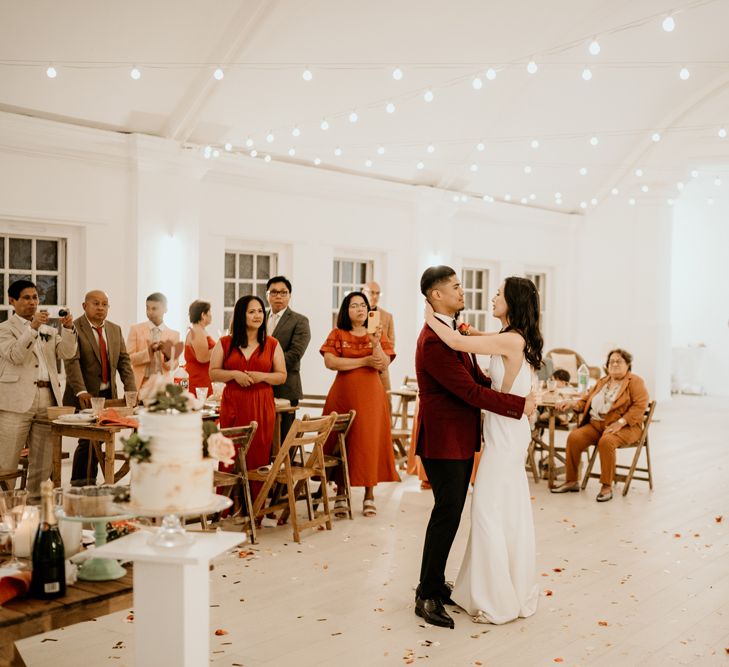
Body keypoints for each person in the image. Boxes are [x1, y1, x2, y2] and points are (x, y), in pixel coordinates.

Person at [414, 267, 536, 629]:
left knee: (454, 512)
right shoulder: (435, 339)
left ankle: (438, 584)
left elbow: (477, 378)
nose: (463, 290)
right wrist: (518, 405)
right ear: (437, 295)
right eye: (455, 286)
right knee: (447, 513)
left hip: (466, 438)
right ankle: (427, 593)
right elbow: (468, 392)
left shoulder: (452, 331)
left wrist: (514, 400)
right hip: (444, 440)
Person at [320, 291, 398, 518]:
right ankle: (341, 493)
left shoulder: (377, 333)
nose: (360, 309)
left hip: (371, 396)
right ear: (346, 310)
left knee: (368, 442)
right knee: (341, 441)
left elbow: (383, 363)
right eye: (354, 305)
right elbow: (330, 361)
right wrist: (363, 361)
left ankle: (369, 495)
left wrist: (375, 344)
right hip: (342, 394)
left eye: (363, 305)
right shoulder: (337, 333)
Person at [0, 280, 77, 500]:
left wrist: (69, 328)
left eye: (35, 297)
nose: (32, 302)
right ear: (12, 301)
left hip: (48, 398)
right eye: (26, 297)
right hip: (15, 400)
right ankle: (5, 512)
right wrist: (32, 328)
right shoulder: (4, 329)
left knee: (43, 461)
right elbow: (16, 355)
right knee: (6, 461)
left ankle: (34, 510)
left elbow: (68, 352)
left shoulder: (49, 331)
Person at [209, 295, 286, 502]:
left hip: (261, 403)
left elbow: (281, 376)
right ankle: (226, 505)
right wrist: (234, 374)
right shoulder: (225, 343)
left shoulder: (271, 343)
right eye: (251, 311)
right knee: (229, 455)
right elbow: (213, 372)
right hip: (233, 403)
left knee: (258, 456)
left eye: (260, 311)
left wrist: (263, 377)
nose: (257, 315)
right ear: (241, 315)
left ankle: (254, 508)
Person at [551, 349, 649, 502]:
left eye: (619, 361)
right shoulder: (603, 381)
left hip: (625, 427)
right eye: (611, 361)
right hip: (596, 424)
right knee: (574, 437)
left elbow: (640, 406)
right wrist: (572, 404)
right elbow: (586, 400)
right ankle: (571, 481)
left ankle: (606, 486)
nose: (614, 364)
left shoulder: (635, 382)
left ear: (628, 364)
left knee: (607, 441)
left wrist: (621, 422)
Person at [63, 290, 136, 486]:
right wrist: (80, 390)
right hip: (84, 394)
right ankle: (80, 484)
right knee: (87, 440)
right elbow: (72, 362)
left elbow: (124, 362)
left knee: (101, 439)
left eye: (105, 304)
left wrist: (131, 391)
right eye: (96, 303)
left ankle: (92, 483)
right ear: (84, 306)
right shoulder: (74, 327)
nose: (101, 308)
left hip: (108, 394)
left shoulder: (114, 329)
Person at [265, 276, 311, 440]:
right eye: (274, 292)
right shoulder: (259, 317)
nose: (279, 296)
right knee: (264, 437)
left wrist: (262, 364)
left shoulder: (300, 321)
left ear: (289, 295)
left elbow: (295, 354)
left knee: (283, 440)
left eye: (283, 292)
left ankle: (284, 467)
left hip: (286, 388)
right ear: (267, 295)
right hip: (259, 387)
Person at [126, 292, 181, 390]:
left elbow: (174, 366)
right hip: (140, 385)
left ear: (165, 309)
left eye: (154, 308)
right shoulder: (135, 329)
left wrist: (167, 356)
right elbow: (128, 359)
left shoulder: (174, 335)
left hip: (164, 387)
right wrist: (148, 352)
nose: (150, 312)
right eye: (147, 308)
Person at [362, 281, 395, 394]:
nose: (375, 296)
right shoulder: (355, 314)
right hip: (360, 366)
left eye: (378, 293)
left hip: (381, 369)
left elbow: (391, 344)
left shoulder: (387, 316)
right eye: (372, 293)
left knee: (386, 403)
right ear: (363, 292)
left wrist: (381, 360)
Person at [184, 300, 215, 397]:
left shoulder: (200, 330)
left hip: (203, 378)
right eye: (209, 312)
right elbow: (203, 357)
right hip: (199, 381)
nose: (211, 315)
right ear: (203, 315)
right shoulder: (197, 331)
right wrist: (221, 346)